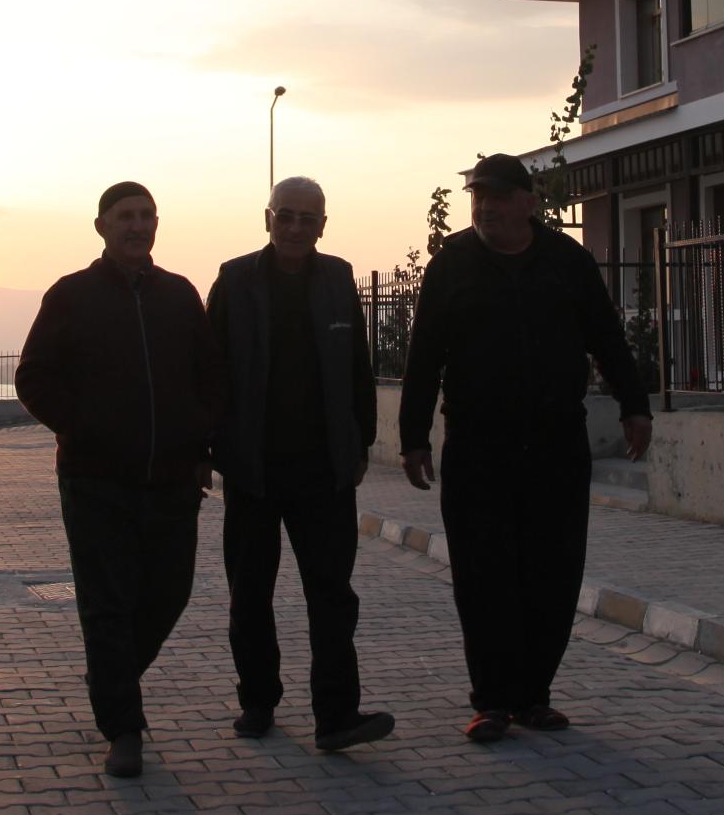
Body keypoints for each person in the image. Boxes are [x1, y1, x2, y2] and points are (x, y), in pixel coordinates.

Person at [399, 151, 650, 743]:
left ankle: (534, 695)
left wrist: (635, 405)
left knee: (553, 571)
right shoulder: (451, 265)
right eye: (477, 197)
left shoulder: (567, 262)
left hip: (556, 444)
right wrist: (413, 438)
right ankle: (491, 700)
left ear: (528, 203)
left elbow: (606, 337)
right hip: (477, 446)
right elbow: (424, 355)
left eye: (496, 196)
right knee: (482, 574)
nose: (484, 207)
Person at [16, 182, 228, 780]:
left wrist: (201, 441)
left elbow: (210, 376)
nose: (137, 226)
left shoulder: (179, 295)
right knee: (107, 603)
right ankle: (124, 728)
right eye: (125, 216)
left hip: (172, 480)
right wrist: (83, 428)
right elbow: (33, 377)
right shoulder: (70, 295)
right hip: (95, 481)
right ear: (101, 226)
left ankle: (110, 679)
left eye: (146, 216)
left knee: (169, 593)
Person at [207, 177, 393, 754]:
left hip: (324, 471)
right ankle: (258, 702)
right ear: (267, 218)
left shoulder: (338, 278)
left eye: (306, 219)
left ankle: (336, 716)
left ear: (322, 226)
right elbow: (209, 371)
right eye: (284, 215)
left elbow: (358, 367)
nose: (294, 227)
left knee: (332, 595)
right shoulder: (234, 280)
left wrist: (360, 444)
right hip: (254, 470)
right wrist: (211, 451)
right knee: (250, 594)